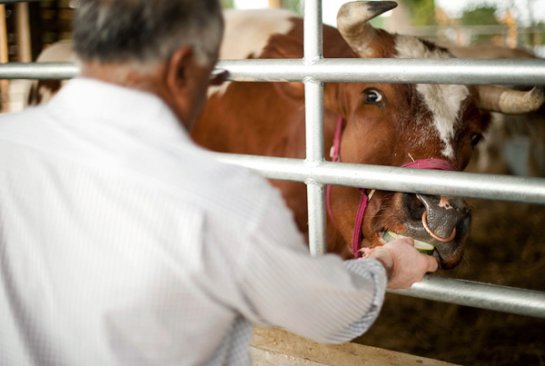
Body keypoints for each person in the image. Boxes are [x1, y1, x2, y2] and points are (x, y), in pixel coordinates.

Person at [0, 0, 438, 365]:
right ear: (183, 69)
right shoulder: (221, 200)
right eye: (214, 76)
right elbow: (328, 313)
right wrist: (387, 265)